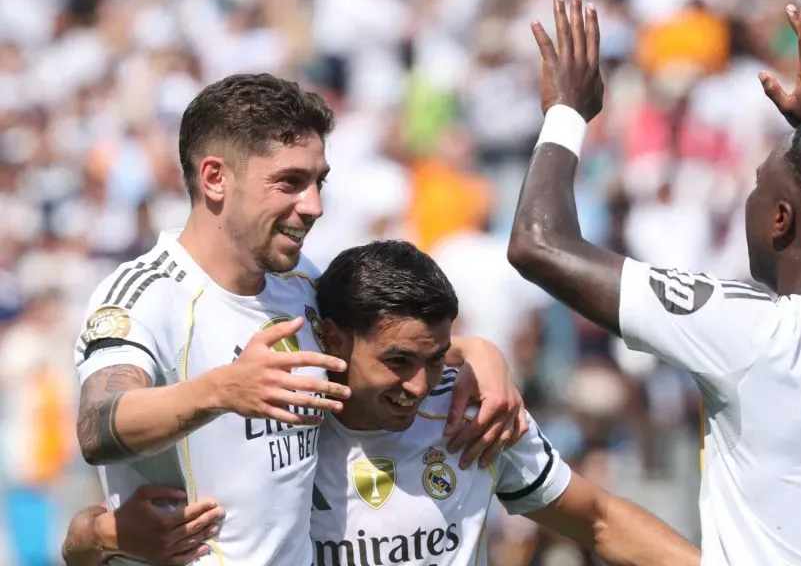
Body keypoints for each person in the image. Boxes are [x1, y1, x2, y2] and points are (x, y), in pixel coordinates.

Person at [507, 0, 801, 566]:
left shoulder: (752, 332)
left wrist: (566, 111)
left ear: (781, 219)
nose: (749, 197)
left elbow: (539, 244)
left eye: (759, 185)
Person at [72, 73, 526, 566]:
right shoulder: (147, 296)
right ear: (215, 178)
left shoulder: (303, 281)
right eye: (290, 182)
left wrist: (479, 352)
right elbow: (98, 426)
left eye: (318, 182)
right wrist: (221, 391)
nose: (314, 206)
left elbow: (385, 345)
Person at [64, 240, 702, 566]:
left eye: (436, 356)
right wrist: (106, 533)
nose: (422, 384)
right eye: (398, 362)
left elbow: (600, 521)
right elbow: (82, 540)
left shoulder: (472, 413)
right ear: (333, 338)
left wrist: (480, 353)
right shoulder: (274, 425)